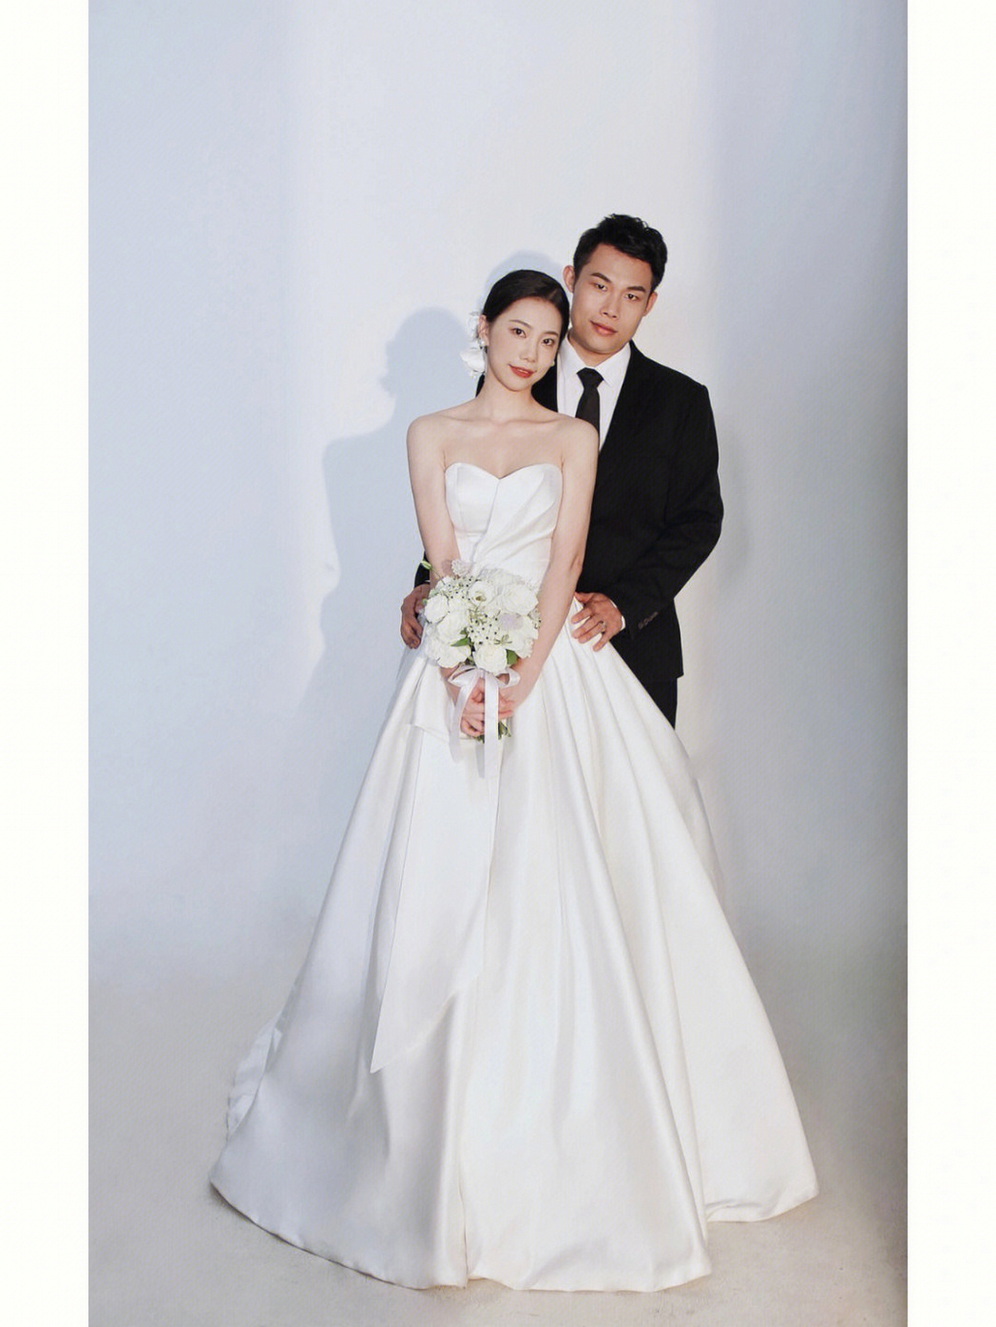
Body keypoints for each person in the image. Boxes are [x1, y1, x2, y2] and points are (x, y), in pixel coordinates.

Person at [211, 270, 817, 1292]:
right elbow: (444, 561)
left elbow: (564, 561)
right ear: (483, 330)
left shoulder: (573, 438)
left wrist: (520, 682)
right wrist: (460, 673)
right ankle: (404, 1130)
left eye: (548, 339)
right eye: (519, 331)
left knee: (565, 881)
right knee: (429, 881)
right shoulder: (429, 434)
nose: (534, 352)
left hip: (550, 669)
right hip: (451, 670)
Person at [401, 215, 723, 728]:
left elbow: (699, 522)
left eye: (632, 295)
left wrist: (624, 605)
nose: (611, 308)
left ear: (650, 304)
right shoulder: (513, 375)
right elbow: (470, 501)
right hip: (503, 637)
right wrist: (429, 592)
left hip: (629, 645)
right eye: (600, 285)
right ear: (572, 279)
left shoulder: (680, 402)